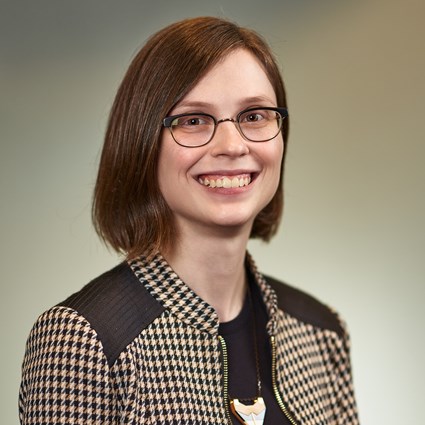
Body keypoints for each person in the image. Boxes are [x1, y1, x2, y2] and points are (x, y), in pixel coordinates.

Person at [19, 17, 359, 425]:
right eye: (194, 120)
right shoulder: (82, 341)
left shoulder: (322, 332)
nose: (232, 146)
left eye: (254, 116)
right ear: (142, 143)